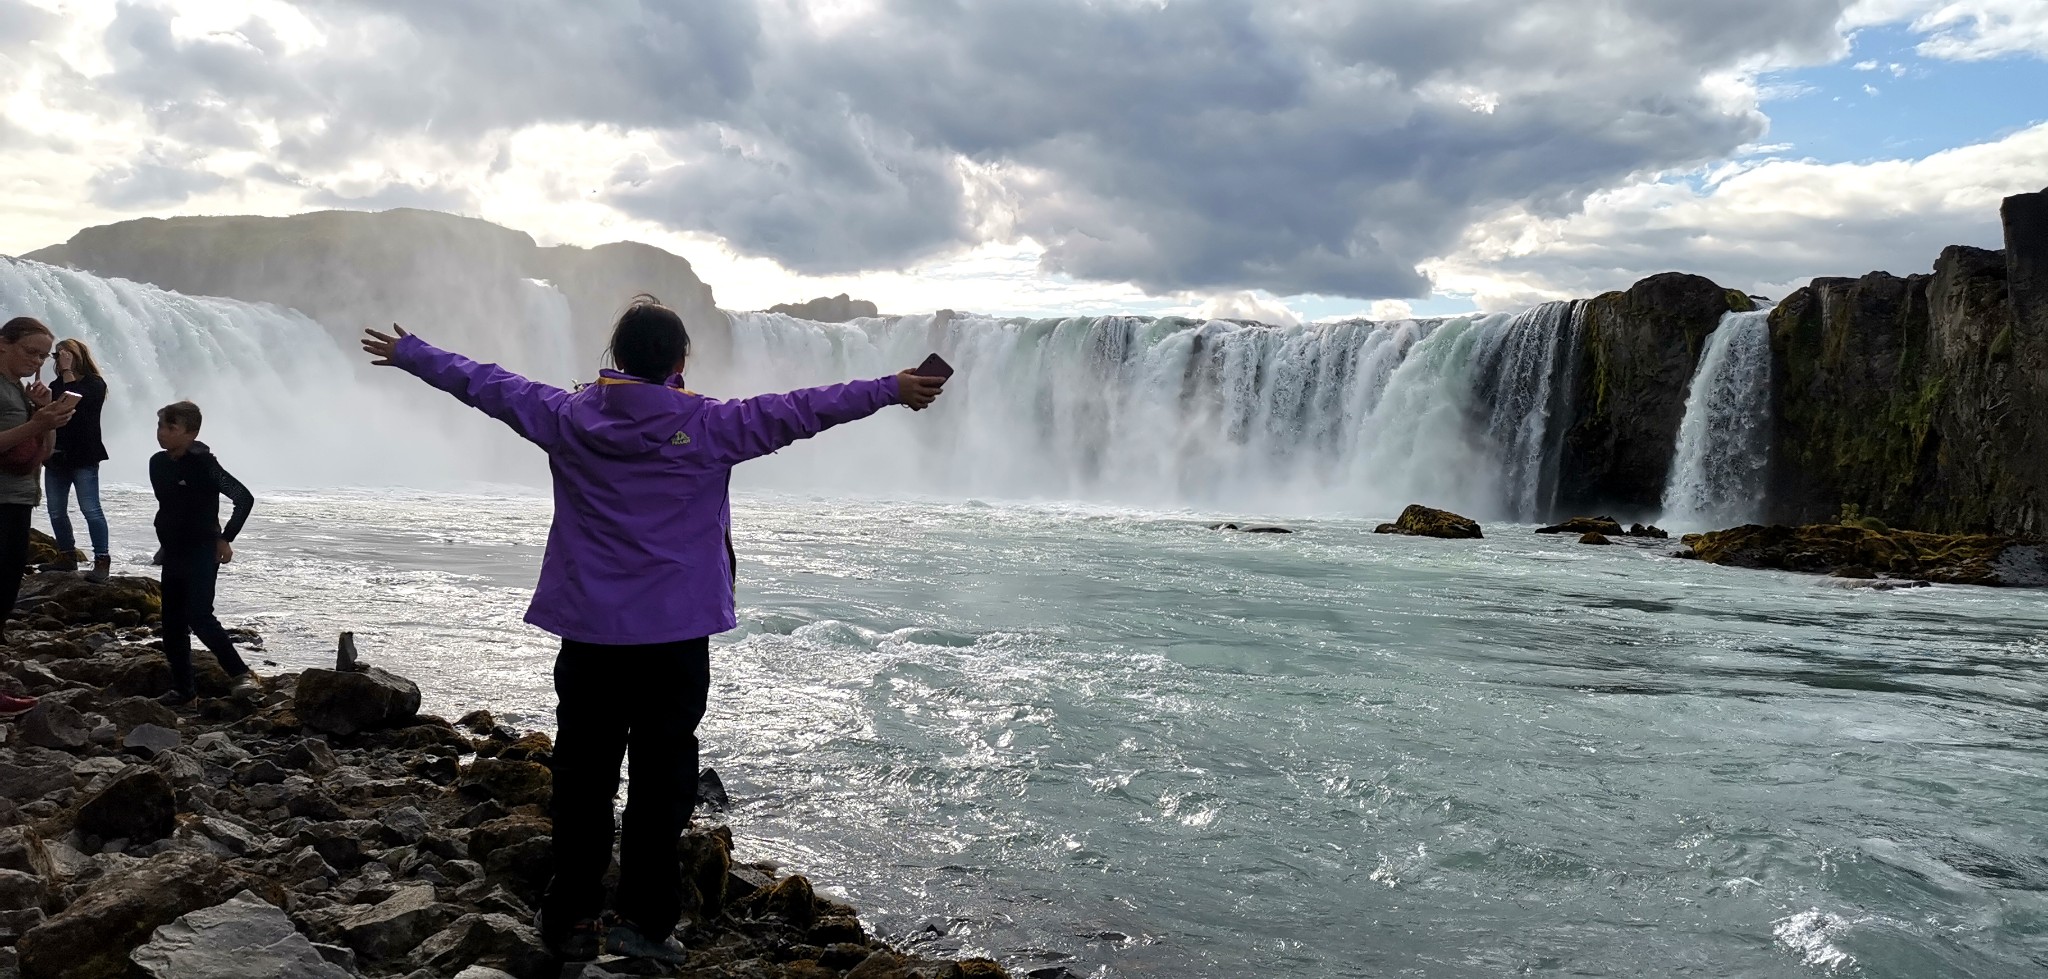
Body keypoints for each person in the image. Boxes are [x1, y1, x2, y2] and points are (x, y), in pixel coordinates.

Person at [360, 295, 945, 965]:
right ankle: (644, 920)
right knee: (662, 780)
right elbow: (807, 406)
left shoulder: (567, 415)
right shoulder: (715, 424)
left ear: (616, 359)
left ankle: (572, 914)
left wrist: (413, 353)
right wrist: (892, 388)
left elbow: (487, 384)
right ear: (680, 361)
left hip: (590, 632)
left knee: (582, 776)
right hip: (674, 636)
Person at [150, 401, 259, 706]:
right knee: (171, 624)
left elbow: (243, 498)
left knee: (199, 615)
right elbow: (172, 507)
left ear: (192, 433)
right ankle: (185, 692)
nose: (162, 433)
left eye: (171, 428)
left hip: (201, 551)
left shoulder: (205, 466)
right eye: (160, 426)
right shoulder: (157, 464)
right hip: (173, 552)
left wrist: (225, 539)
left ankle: (241, 674)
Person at [0, 317, 76, 671]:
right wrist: (35, 423)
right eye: (31, 352)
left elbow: (43, 453)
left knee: (6, 593)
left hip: (19, 498)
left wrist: (47, 419)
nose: (37, 361)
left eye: (44, 357)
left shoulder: (19, 389)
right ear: (3, 343)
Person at [44, 338, 111, 582]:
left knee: (91, 509)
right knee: (56, 511)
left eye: (67, 354)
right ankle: (66, 555)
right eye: (59, 355)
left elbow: (78, 404)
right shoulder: (55, 385)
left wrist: (68, 371)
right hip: (57, 456)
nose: (62, 359)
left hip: (84, 455)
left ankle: (102, 560)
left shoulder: (95, 384)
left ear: (79, 355)